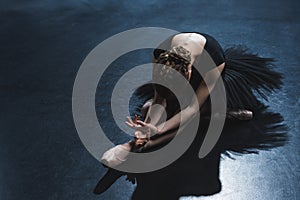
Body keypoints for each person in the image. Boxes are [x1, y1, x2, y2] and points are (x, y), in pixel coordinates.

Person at [93, 32, 282, 195]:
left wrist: (158, 131)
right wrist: (149, 126)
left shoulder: (214, 60)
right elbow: (160, 98)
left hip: (205, 87)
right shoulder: (161, 53)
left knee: (193, 119)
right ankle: (137, 145)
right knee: (147, 108)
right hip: (178, 81)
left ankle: (225, 114)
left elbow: (191, 108)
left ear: (189, 70)